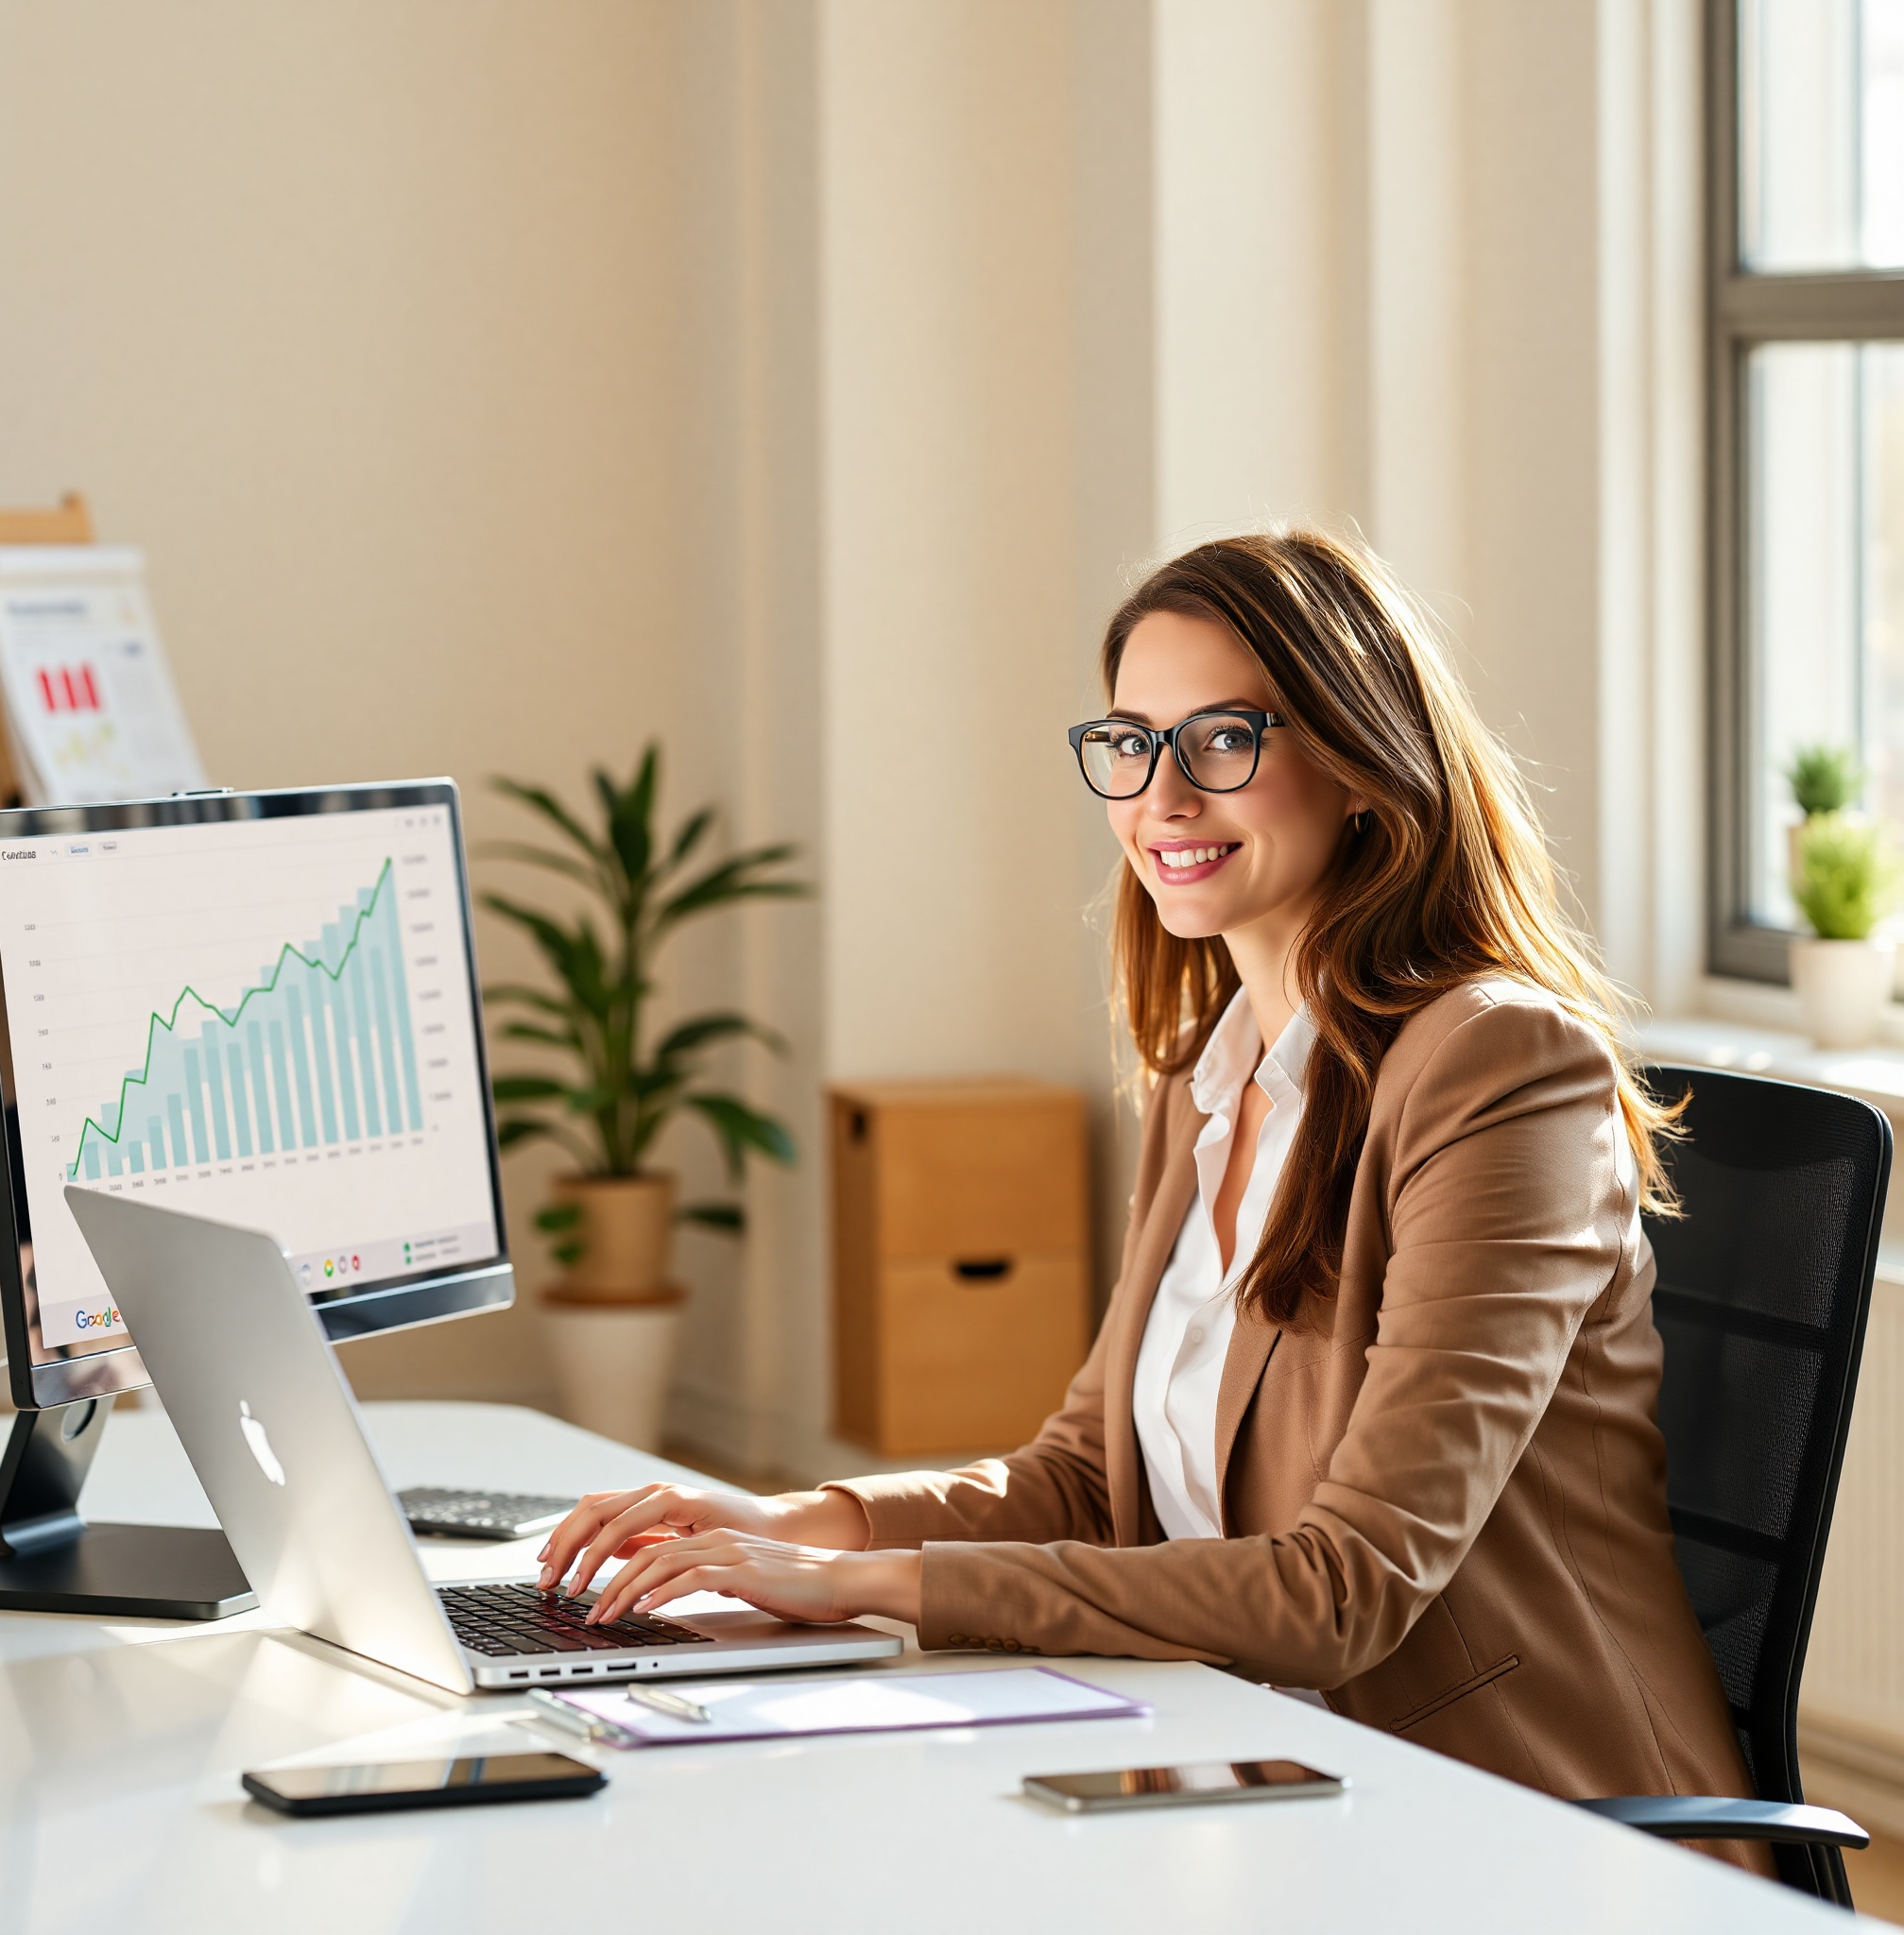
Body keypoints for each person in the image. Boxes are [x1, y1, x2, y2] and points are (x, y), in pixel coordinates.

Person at [537, 529, 1759, 1851]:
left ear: (1358, 763)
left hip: (1516, 1818)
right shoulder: (1211, 1078)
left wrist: (848, 1582)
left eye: (1224, 739)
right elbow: (1087, 1481)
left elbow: (1345, 1593)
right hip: (1246, 1756)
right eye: (1131, 742)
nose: (1162, 797)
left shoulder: (1500, 1066)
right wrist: (789, 1520)